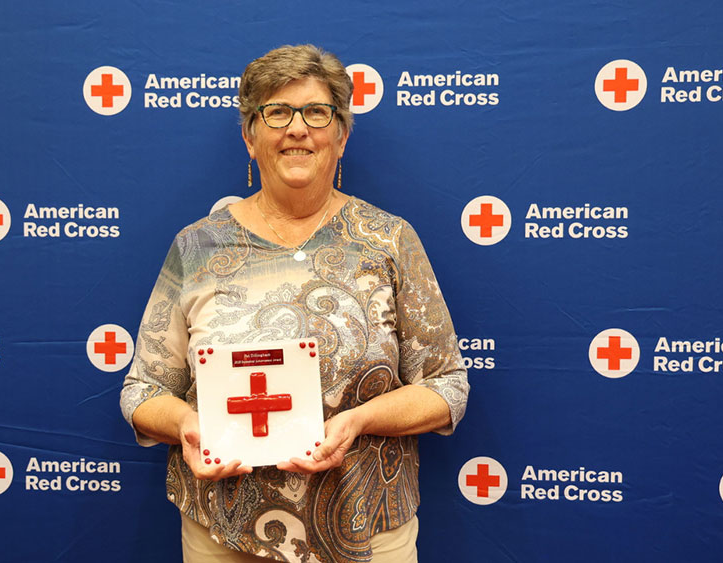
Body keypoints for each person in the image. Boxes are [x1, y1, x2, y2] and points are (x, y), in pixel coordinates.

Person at [120, 44, 469, 563]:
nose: (297, 129)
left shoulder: (389, 240)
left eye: (317, 112)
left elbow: (447, 387)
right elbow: (142, 391)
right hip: (223, 533)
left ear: (342, 135)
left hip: (367, 531)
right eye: (276, 112)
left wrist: (358, 421)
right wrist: (188, 426)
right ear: (249, 136)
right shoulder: (197, 247)